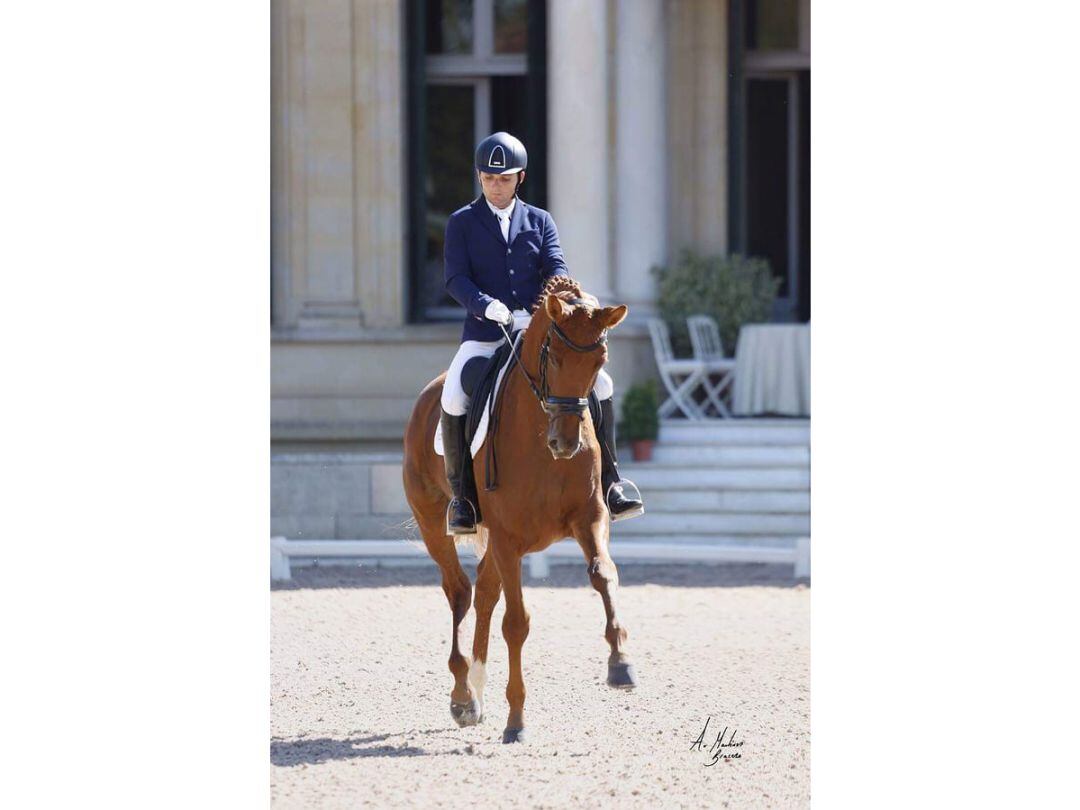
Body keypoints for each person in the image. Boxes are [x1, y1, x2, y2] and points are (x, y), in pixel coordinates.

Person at [439, 131, 644, 535]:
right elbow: (455, 279)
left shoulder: (539, 221)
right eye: (489, 178)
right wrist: (486, 305)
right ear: (480, 178)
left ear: (520, 179)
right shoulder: (462, 222)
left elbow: (555, 267)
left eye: (504, 179)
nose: (496, 186)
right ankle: (463, 497)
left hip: (536, 331)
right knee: (454, 393)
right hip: (486, 331)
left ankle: (613, 482)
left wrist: (566, 302)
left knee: (601, 384)